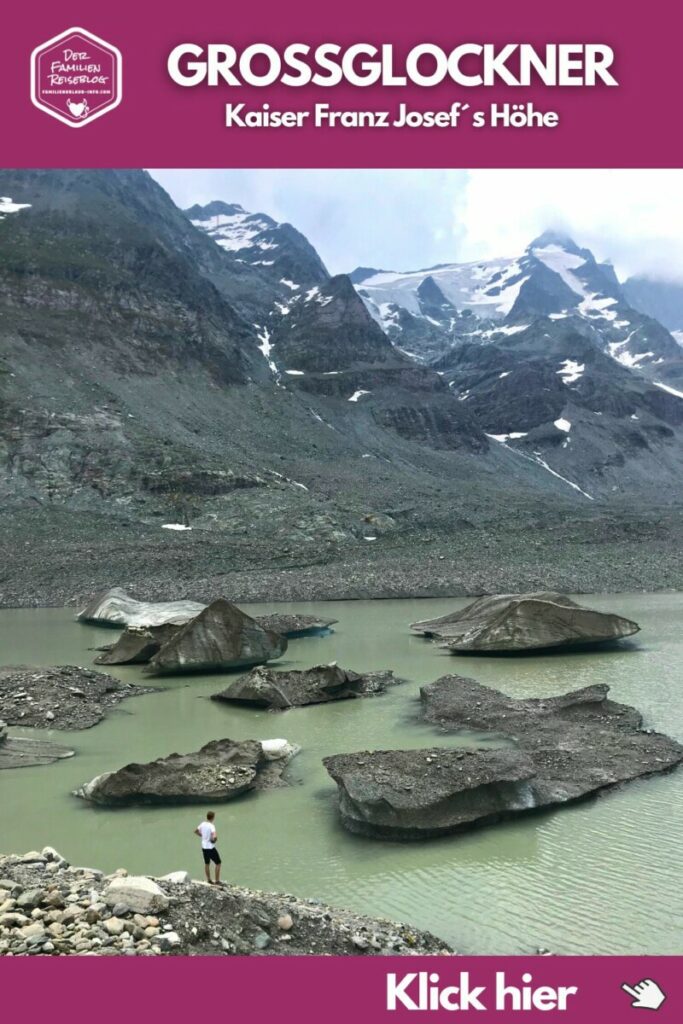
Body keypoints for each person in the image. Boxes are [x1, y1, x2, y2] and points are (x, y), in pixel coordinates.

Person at [194, 810, 221, 884]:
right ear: (213, 818)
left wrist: (203, 836)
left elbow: (196, 831)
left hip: (204, 847)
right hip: (210, 848)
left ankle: (209, 879)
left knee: (207, 863)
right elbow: (214, 836)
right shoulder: (212, 826)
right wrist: (214, 840)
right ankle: (217, 881)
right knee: (218, 863)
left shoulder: (202, 824)